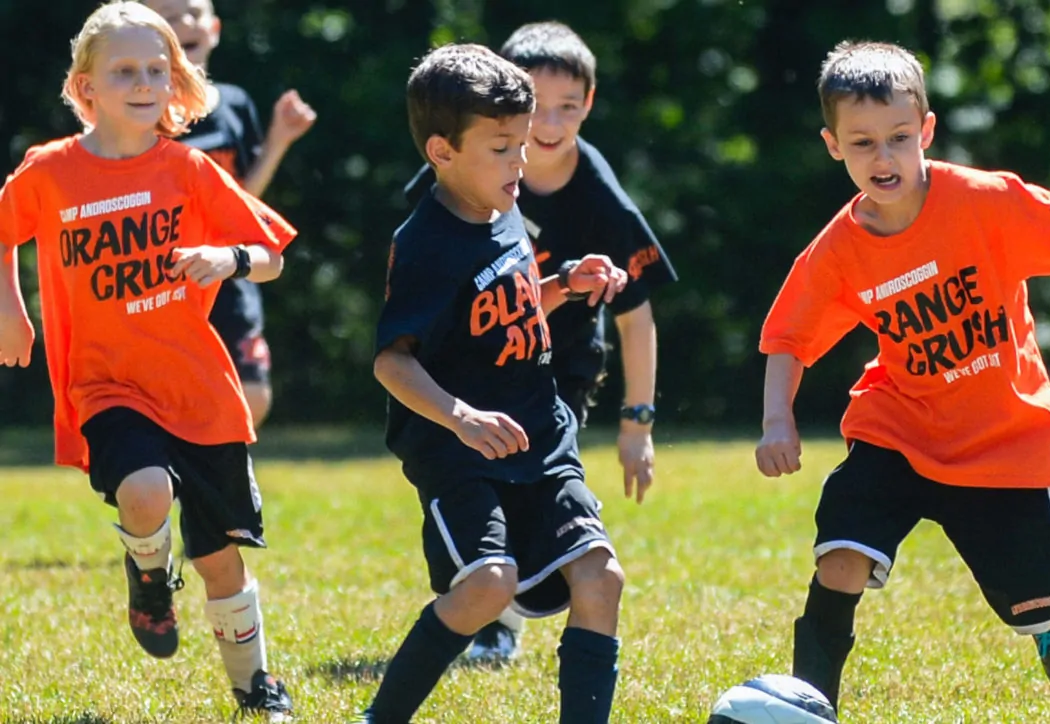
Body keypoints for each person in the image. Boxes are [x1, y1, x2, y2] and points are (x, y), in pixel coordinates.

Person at [753, 40, 1050, 711]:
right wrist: (776, 420)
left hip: (1003, 443)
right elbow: (788, 336)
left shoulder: (983, 201)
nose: (883, 157)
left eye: (899, 138)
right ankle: (809, 703)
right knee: (838, 558)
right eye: (863, 142)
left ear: (925, 131)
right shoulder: (839, 250)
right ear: (832, 146)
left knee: (1030, 610)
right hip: (897, 426)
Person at [0, 2, 297, 717]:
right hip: (104, 382)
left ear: (176, 82)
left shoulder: (189, 169)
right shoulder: (50, 172)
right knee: (143, 490)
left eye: (157, 70)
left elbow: (270, 257)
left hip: (195, 388)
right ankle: (147, 571)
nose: (143, 82)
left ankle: (254, 685)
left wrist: (226, 258)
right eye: (124, 70)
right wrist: (10, 306)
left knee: (221, 560)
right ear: (86, 87)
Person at [358, 43, 631, 724]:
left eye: (522, 145)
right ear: (442, 152)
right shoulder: (425, 243)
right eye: (503, 148)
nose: (521, 163)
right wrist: (461, 418)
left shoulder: (501, 206)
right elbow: (392, 361)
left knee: (601, 575)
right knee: (488, 583)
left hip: (539, 429)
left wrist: (565, 286)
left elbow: (501, 310)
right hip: (459, 450)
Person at [403, 19, 677, 665]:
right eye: (535, 107)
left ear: (591, 103)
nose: (548, 125)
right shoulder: (459, 173)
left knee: (530, 480)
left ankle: (513, 604)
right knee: (476, 484)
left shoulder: (602, 203)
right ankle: (490, 606)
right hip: (473, 362)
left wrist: (637, 422)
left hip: (561, 366)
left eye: (568, 106)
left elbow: (636, 317)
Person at [142, 0, 318, 424]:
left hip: (228, 270)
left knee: (252, 395)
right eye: (169, 15)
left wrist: (278, 140)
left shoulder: (234, 104)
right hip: (162, 278)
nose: (185, 22)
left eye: (194, 12)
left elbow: (243, 200)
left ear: (215, 28)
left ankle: (223, 481)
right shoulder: (141, 112)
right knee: (165, 399)